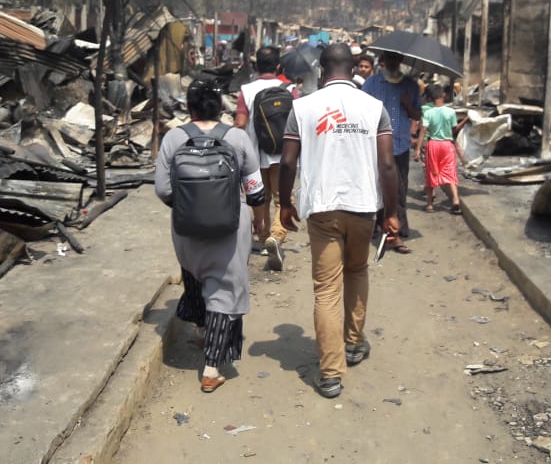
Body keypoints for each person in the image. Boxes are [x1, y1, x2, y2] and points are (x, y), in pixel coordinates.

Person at [278, 43, 400, 399]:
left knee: (327, 289)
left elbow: (287, 163)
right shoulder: (374, 107)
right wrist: (390, 212)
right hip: (363, 206)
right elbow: (388, 165)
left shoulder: (301, 108)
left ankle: (330, 374)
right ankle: (353, 342)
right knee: (357, 272)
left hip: (323, 209)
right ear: (352, 69)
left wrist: (285, 204)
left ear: (321, 69)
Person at [155, 77, 268, 393]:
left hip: (185, 231)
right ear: (221, 107)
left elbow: (163, 189)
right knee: (223, 292)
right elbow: (256, 192)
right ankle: (211, 369)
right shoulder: (237, 138)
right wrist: (252, 217)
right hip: (229, 232)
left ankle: (203, 330)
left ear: (189, 107)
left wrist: (190, 207)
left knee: (194, 273)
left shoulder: (173, 139)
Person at [235, 46, 296, 270]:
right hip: (283, 154)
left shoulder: (246, 90)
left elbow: (241, 123)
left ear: (256, 65)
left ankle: (262, 238)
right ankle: (277, 237)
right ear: (278, 66)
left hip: (253, 154)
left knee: (259, 198)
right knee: (283, 198)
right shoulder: (289, 88)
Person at [361, 51, 421, 253]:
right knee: (375, 185)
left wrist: (406, 104)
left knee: (400, 187)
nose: (393, 62)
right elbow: (360, 111)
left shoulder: (410, 86)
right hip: (375, 142)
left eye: (396, 59)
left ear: (400, 61)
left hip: (401, 143)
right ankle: (377, 226)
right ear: (383, 61)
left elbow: (417, 114)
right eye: (389, 59)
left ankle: (397, 230)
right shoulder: (372, 84)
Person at [414, 84, 469, 215]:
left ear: (429, 98)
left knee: (432, 173)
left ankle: (429, 204)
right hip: (447, 145)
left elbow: (423, 131)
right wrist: (466, 120)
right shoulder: (450, 112)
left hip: (433, 145)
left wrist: (417, 150)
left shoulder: (428, 112)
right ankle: (456, 200)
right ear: (443, 95)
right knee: (450, 173)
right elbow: (454, 129)